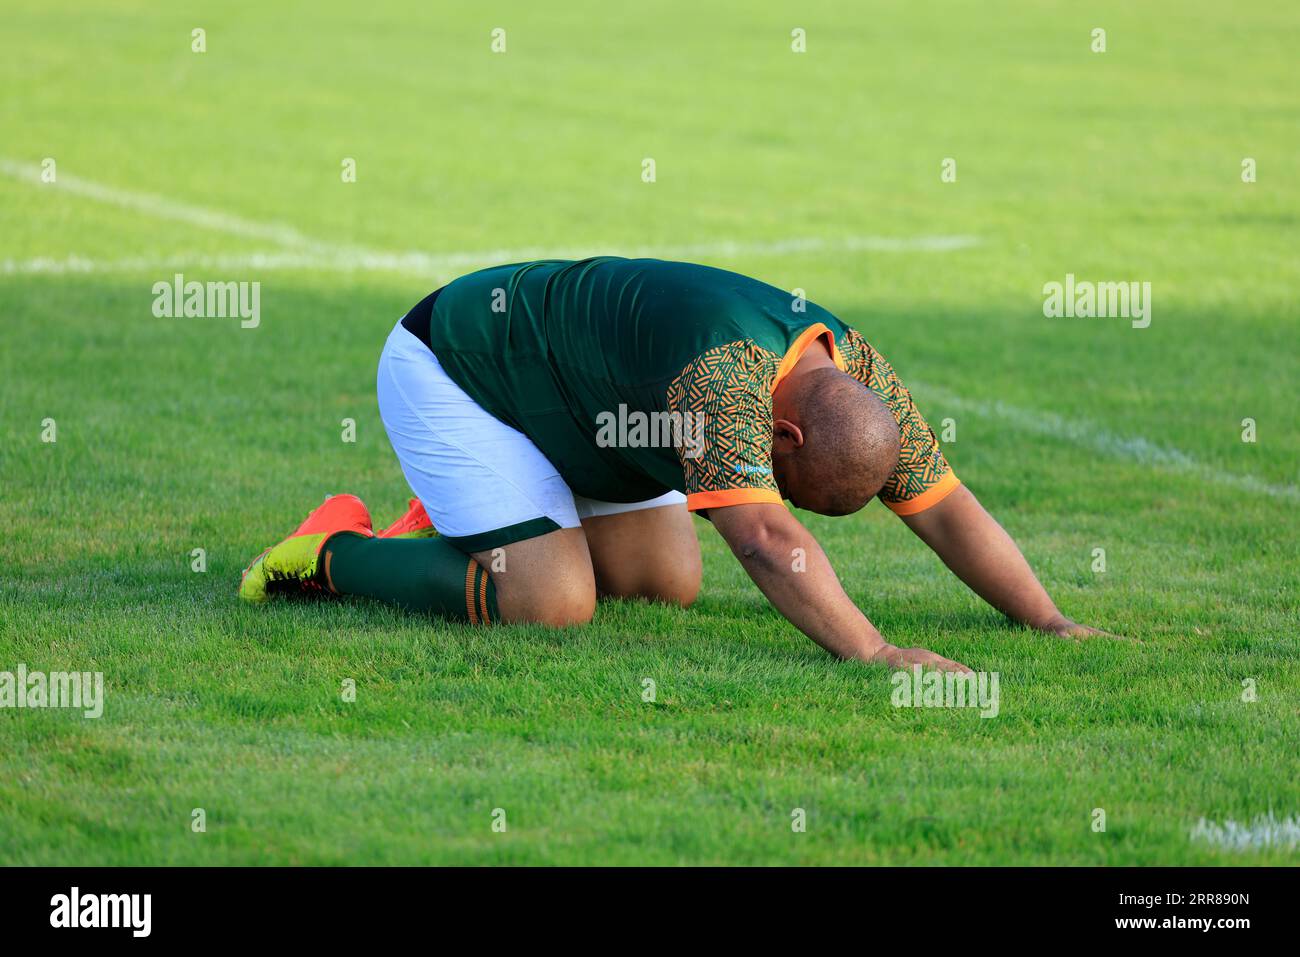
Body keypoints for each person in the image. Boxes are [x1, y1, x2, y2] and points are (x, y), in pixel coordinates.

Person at [240, 258, 1110, 672]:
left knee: (665, 583)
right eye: (790, 481)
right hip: (460, 371)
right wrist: (874, 651)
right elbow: (768, 539)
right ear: (788, 439)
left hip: (577, 407)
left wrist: (1050, 620)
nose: (783, 498)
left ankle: (470, 525)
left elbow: (947, 506)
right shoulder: (720, 383)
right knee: (552, 602)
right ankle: (330, 551)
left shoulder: (855, 375)